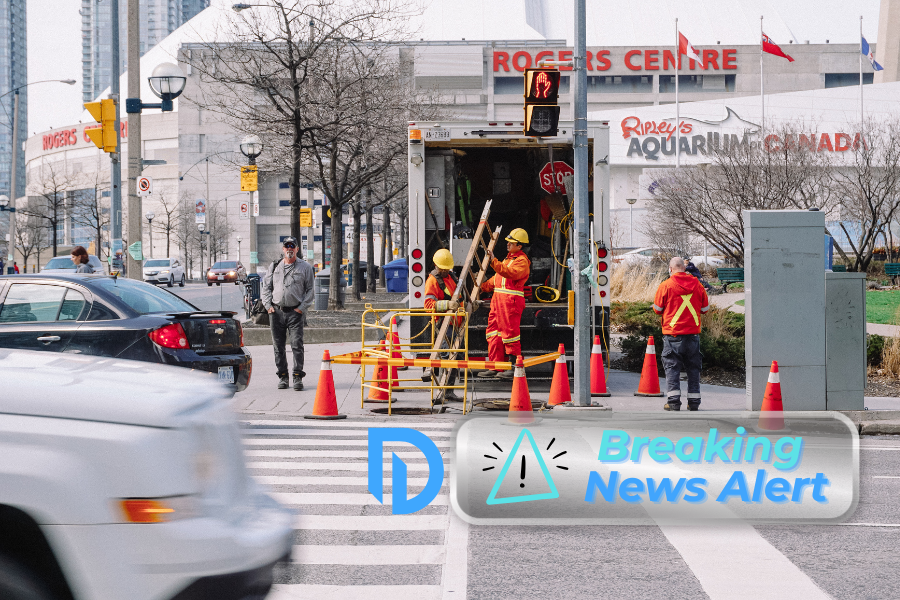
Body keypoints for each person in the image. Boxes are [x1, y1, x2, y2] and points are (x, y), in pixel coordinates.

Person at [652, 257, 710, 411]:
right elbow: (705, 309)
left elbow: (657, 309)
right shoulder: (697, 285)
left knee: (672, 368)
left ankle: (673, 403)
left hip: (673, 335)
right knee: (693, 369)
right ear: (684, 268)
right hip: (693, 335)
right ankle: (694, 403)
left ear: (670, 269)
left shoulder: (666, 285)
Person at [476, 228, 531, 380]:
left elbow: (509, 273)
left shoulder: (522, 261)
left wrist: (494, 261)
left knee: (510, 334)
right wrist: (481, 286)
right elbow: (496, 280)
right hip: (499, 303)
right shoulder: (508, 260)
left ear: (519, 245)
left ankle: (514, 367)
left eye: (511, 242)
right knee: (493, 333)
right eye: (508, 241)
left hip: (510, 303)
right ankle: (496, 366)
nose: (507, 244)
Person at [262, 237, 315, 391]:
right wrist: (268, 306)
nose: (289, 249)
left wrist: (301, 308)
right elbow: (266, 287)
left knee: (297, 345)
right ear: (283, 249)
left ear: (297, 249)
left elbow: (310, 290)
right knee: (278, 347)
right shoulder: (274, 266)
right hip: (276, 312)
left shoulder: (305, 267)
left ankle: (297, 377)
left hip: (295, 313)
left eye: (292, 246)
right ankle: (283, 377)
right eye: (287, 246)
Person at [423, 249, 462, 401]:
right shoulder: (433, 281)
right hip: (444, 324)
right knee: (446, 357)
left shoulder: (452, 277)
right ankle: (442, 392)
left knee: (456, 357)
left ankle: (449, 391)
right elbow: (428, 305)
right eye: (442, 268)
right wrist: (447, 304)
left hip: (456, 323)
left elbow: (459, 298)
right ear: (436, 265)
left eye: (447, 268)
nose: (445, 271)